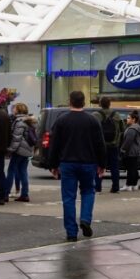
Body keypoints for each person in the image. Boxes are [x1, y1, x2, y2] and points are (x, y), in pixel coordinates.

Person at [47, 91, 107, 242]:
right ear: (84, 102)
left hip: (67, 163)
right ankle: (85, 219)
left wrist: (53, 165)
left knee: (68, 197)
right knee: (88, 192)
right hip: (88, 163)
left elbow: (55, 144)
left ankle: (71, 232)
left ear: (70, 101)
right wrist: (102, 164)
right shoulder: (92, 120)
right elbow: (100, 144)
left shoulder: (62, 120)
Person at [5, 102, 35, 202]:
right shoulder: (29, 121)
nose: (13, 110)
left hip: (19, 151)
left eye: (14, 108)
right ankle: (25, 194)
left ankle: (5, 193)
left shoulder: (19, 122)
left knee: (11, 171)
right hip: (27, 150)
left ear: (18, 110)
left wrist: (10, 150)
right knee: (23, 172)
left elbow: (16, 139)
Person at [94, 97, 124, 194]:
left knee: (99, 166)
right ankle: (115, 187)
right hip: (113, 145)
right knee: (114, 167)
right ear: (110, 104)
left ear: (100, 104)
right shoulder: (117, 115)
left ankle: (98, 187)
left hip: (100, 146)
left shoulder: (95, 115)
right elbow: (122, 129)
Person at [119, 111, 140, 192]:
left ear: (133, 119)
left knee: (130, 169)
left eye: (129, 118)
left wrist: (123, 149)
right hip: (136, 151)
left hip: (131, 151)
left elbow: (128, 141)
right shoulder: (137, 127)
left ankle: (128, 185)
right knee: (134, 169)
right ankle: (134, 184)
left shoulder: (132, 129)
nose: (127, 119)